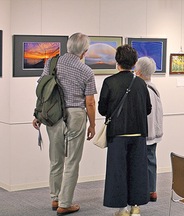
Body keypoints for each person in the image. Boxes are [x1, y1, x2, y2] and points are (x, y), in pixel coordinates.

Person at [32, 33, 97, 215]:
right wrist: (92, 125)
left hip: (53, 114)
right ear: (84, 52)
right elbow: (90, 102)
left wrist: (37, 114)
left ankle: (55, 198)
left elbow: (43, 91)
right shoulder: (86, 71)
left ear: (68, 46)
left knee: (55, 158)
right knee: (72, 161)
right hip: (76, 114)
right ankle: (65, 203)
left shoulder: (52, 63)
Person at [98, 45, 151, 216]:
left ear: (117, 62)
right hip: (138, 133)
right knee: (137, 170)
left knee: (118, 171)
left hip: (118, 133)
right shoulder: (141, 83)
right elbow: (148, 108)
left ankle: (122, 210)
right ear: (135, 63)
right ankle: (136, 207)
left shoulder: (109, 82)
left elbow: (102, 109)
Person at [135, 57, 163, 202]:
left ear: (138, 72)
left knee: (139, 161)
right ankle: (152, 190)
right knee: (151, 160)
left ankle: (142, 190)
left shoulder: (141, 89)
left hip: (144, 132)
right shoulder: (154, 88)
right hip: (154, 131)